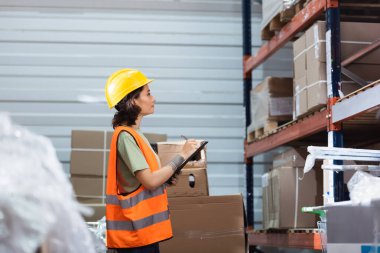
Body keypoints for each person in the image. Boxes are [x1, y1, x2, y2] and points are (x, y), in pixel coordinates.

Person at [104, 69, 198, 253]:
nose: (153, 98)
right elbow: (150, 181)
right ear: (133, 101)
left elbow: (148, 180)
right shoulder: (125, 136)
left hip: (144, 234)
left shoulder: (136, 135)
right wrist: (182, 155)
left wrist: (167, 177)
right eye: (148, 93)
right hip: (136, 239)